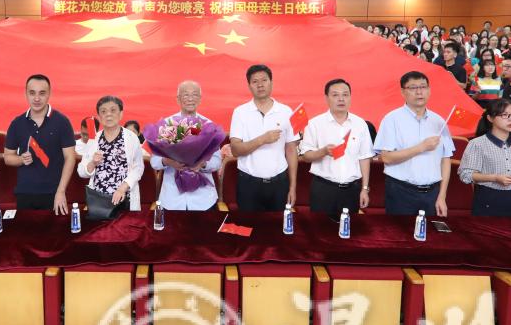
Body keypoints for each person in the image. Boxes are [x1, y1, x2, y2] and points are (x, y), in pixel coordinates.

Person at [373, 71, 454, 216]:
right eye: (413, 88)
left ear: (429, 90)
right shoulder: (392, 119)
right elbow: (386, 157)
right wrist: (421, 147)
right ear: (403, 92)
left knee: (431, 230)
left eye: (423, 87)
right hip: (401, 191)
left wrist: (442, 196)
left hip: (432, 193)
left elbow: (445, 160)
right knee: (399, 230)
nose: (419, 92)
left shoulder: (439, 121)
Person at [228, 64, 300, 211]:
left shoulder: (286, 111)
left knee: (278, 224)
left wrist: (292, 187)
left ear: (271, 82)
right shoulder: (240, 112)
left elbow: (291, 150)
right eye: (255, 81)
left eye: (264, 80)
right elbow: (235, 150)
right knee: (249, 224)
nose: (260, 85)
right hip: (248, 184)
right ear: (249, 85)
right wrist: (262, 139)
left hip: (279, 183)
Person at [299, 78, 376, 215]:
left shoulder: (360, 124)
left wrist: (364, 189)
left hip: (352, 189)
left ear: (350, 97)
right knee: (321, 227)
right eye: (335, 95)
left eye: (345, 95)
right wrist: (323, 151)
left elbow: (364, 158)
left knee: (349, 227)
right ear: (326, 98)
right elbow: (306, 156)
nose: (341, 99)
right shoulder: (315, 124)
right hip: (324, 189)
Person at [2, 74, 76, 213]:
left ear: (49, 94)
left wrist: (61, 191)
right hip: (25, 192)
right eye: (32, 93)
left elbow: (70, 158)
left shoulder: (62, 122)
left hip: (54, 193)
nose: (36, 98)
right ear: (26, 94)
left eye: (42, 93)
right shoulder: (17, 123)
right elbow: (8, 157)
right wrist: (21, 159)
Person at [151, 80, 223, 211]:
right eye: (186, 95)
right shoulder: (167, 124)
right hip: (172, 200)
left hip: (203, 200)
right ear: (178, 99)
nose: (190, 99)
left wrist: (202, 164)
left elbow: (217, 162)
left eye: (194, 95)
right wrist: (168, 161)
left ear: (200, 99)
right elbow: (154, 161)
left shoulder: (209, 126)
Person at [457, 98, 511, 217]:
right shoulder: (477, 144)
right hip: (488, 199)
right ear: (490, 118)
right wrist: (495, 178)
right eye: (504, 115)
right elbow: (466, 175)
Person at [77, 95, 146, 211]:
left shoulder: (132, 138)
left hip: (125, 198)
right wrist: (93, 163)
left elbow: (138, 168)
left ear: (121, 114)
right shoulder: (94, 140)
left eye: (113, 110)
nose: (108, 114)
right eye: (103, 111)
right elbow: (81, 172)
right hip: (99, 201)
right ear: (99, 116)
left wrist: (123, 188)